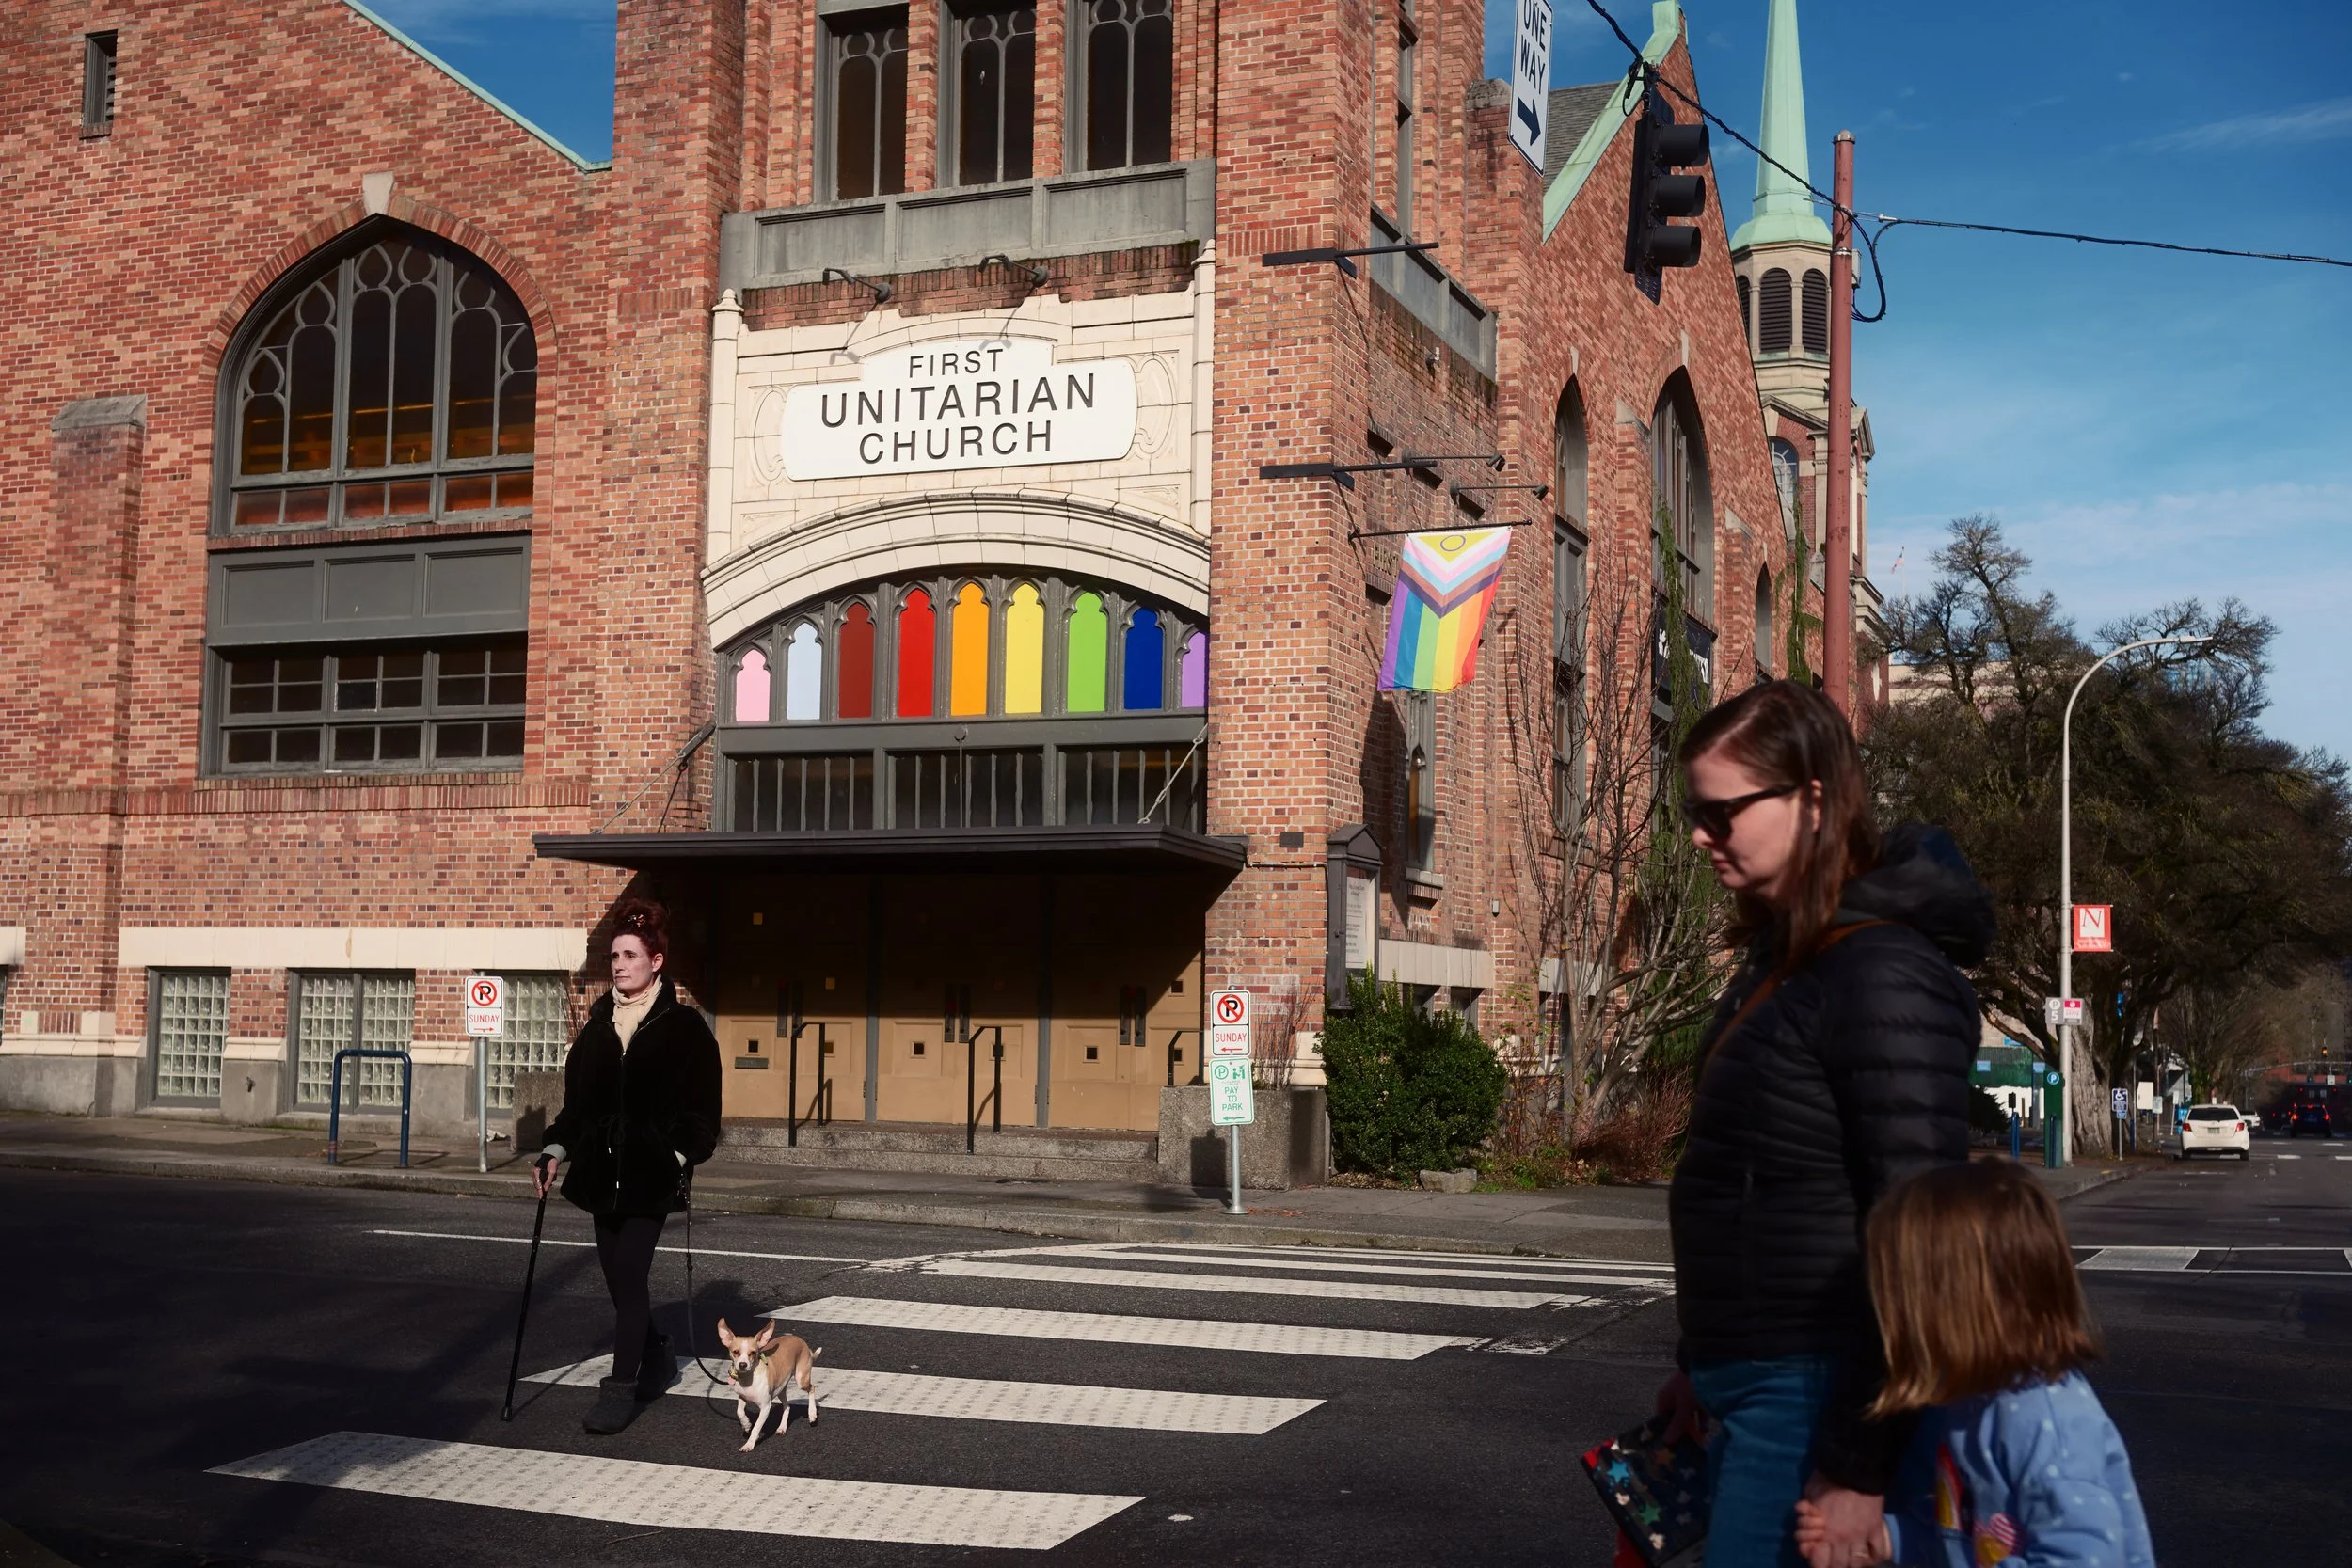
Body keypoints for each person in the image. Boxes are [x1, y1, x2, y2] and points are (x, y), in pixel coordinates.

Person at [1656, 679, 1994, 1568]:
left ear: (1811, 801)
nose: (1700, 833)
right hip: (1755, 1381)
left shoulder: (1879, 970)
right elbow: (1748, 1179)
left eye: (1721, 812)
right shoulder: (1791, 960)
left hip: (1815, 1394)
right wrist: (1699, 1359)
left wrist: (1857, 1465)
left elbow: (1920, 1231)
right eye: (1696, 810)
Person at [1794, 1160, 2153, 1567]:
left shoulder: (2047, 1423)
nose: (1888, 1316)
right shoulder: (1963, 1405)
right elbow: (1960, 1540)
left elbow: (2086, 1559)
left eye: (1900, 1294)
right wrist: (1882, 1539)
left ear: (1959, 1304)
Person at [535, 899, 723, 1435]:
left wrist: (674, 1157)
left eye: (629, 955)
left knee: (631, 1276)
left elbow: (703, 1115)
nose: (618, 964)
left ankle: (621, 1388)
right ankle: (659, 1354)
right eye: (614, 955)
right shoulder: (596, 1027)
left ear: (656, 961)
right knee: (620, 1284)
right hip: (598, 1175)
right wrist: (555, 1150)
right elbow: (577, 1110)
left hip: (650, 1178)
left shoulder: (685, 1028)